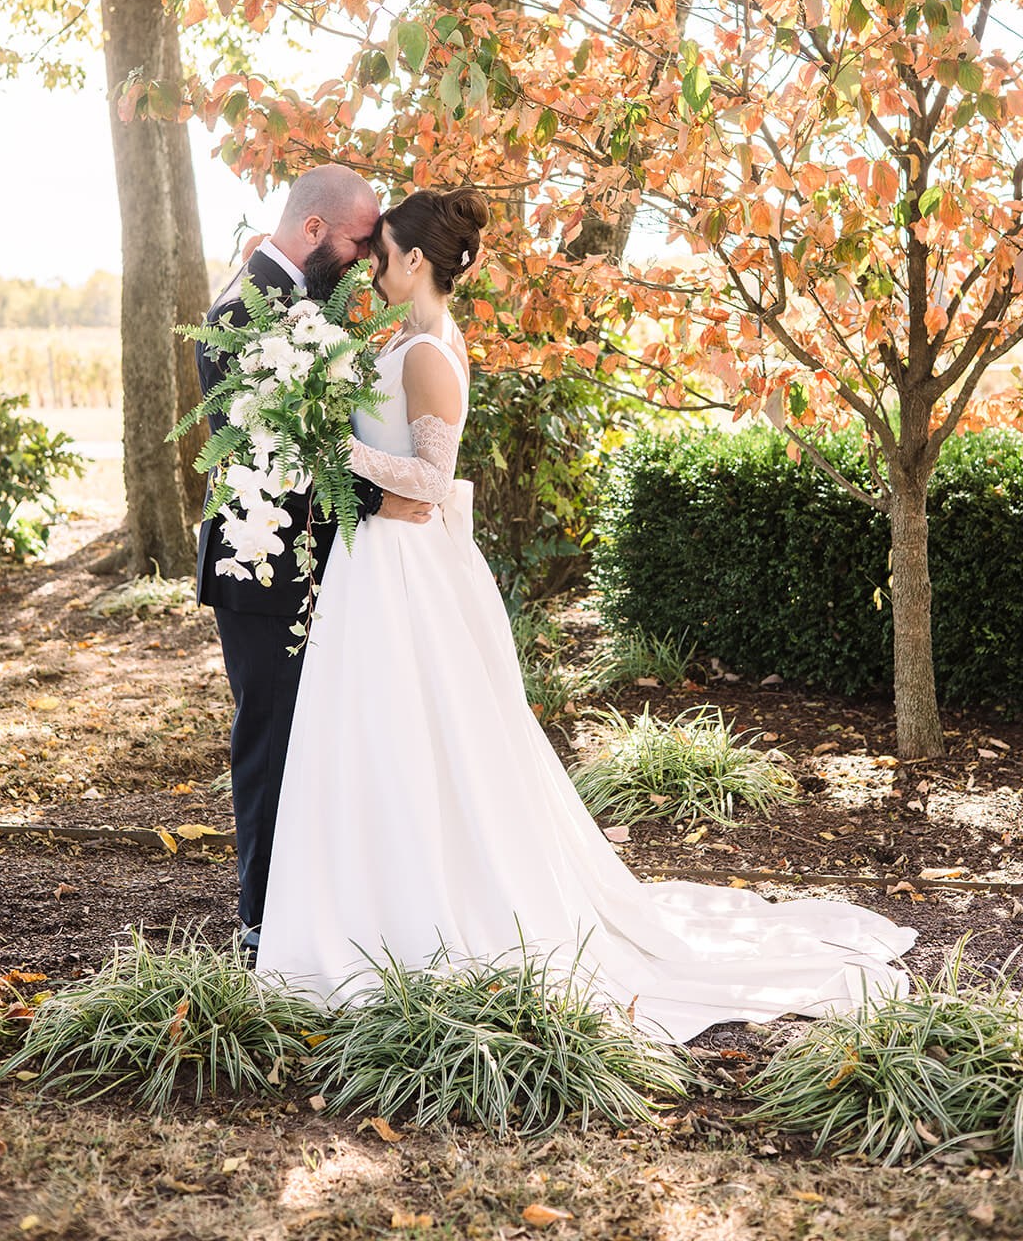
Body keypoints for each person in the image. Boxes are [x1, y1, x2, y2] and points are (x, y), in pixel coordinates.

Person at [256, 187, 916, 1041]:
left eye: (379, 253)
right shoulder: (403, 340)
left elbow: (430, 479)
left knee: (416, 737)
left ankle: (420, 914)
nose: (369, 268)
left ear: (414, 260)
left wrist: (329, 445)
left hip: (404, 571)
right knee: (376, 738)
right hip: (376, 564)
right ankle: (369, 909)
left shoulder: (427, 354)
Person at [195, 164, 432, 959]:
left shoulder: (300, 302)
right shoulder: (242, 314)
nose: (366, 258)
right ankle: (262, 922)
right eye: (359, 240)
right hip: (263, 567)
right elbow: (274, 452)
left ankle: (315, 905)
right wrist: (378, 500)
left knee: (316, 738)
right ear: (312, 230)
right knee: (271, 741)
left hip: (313, 561)